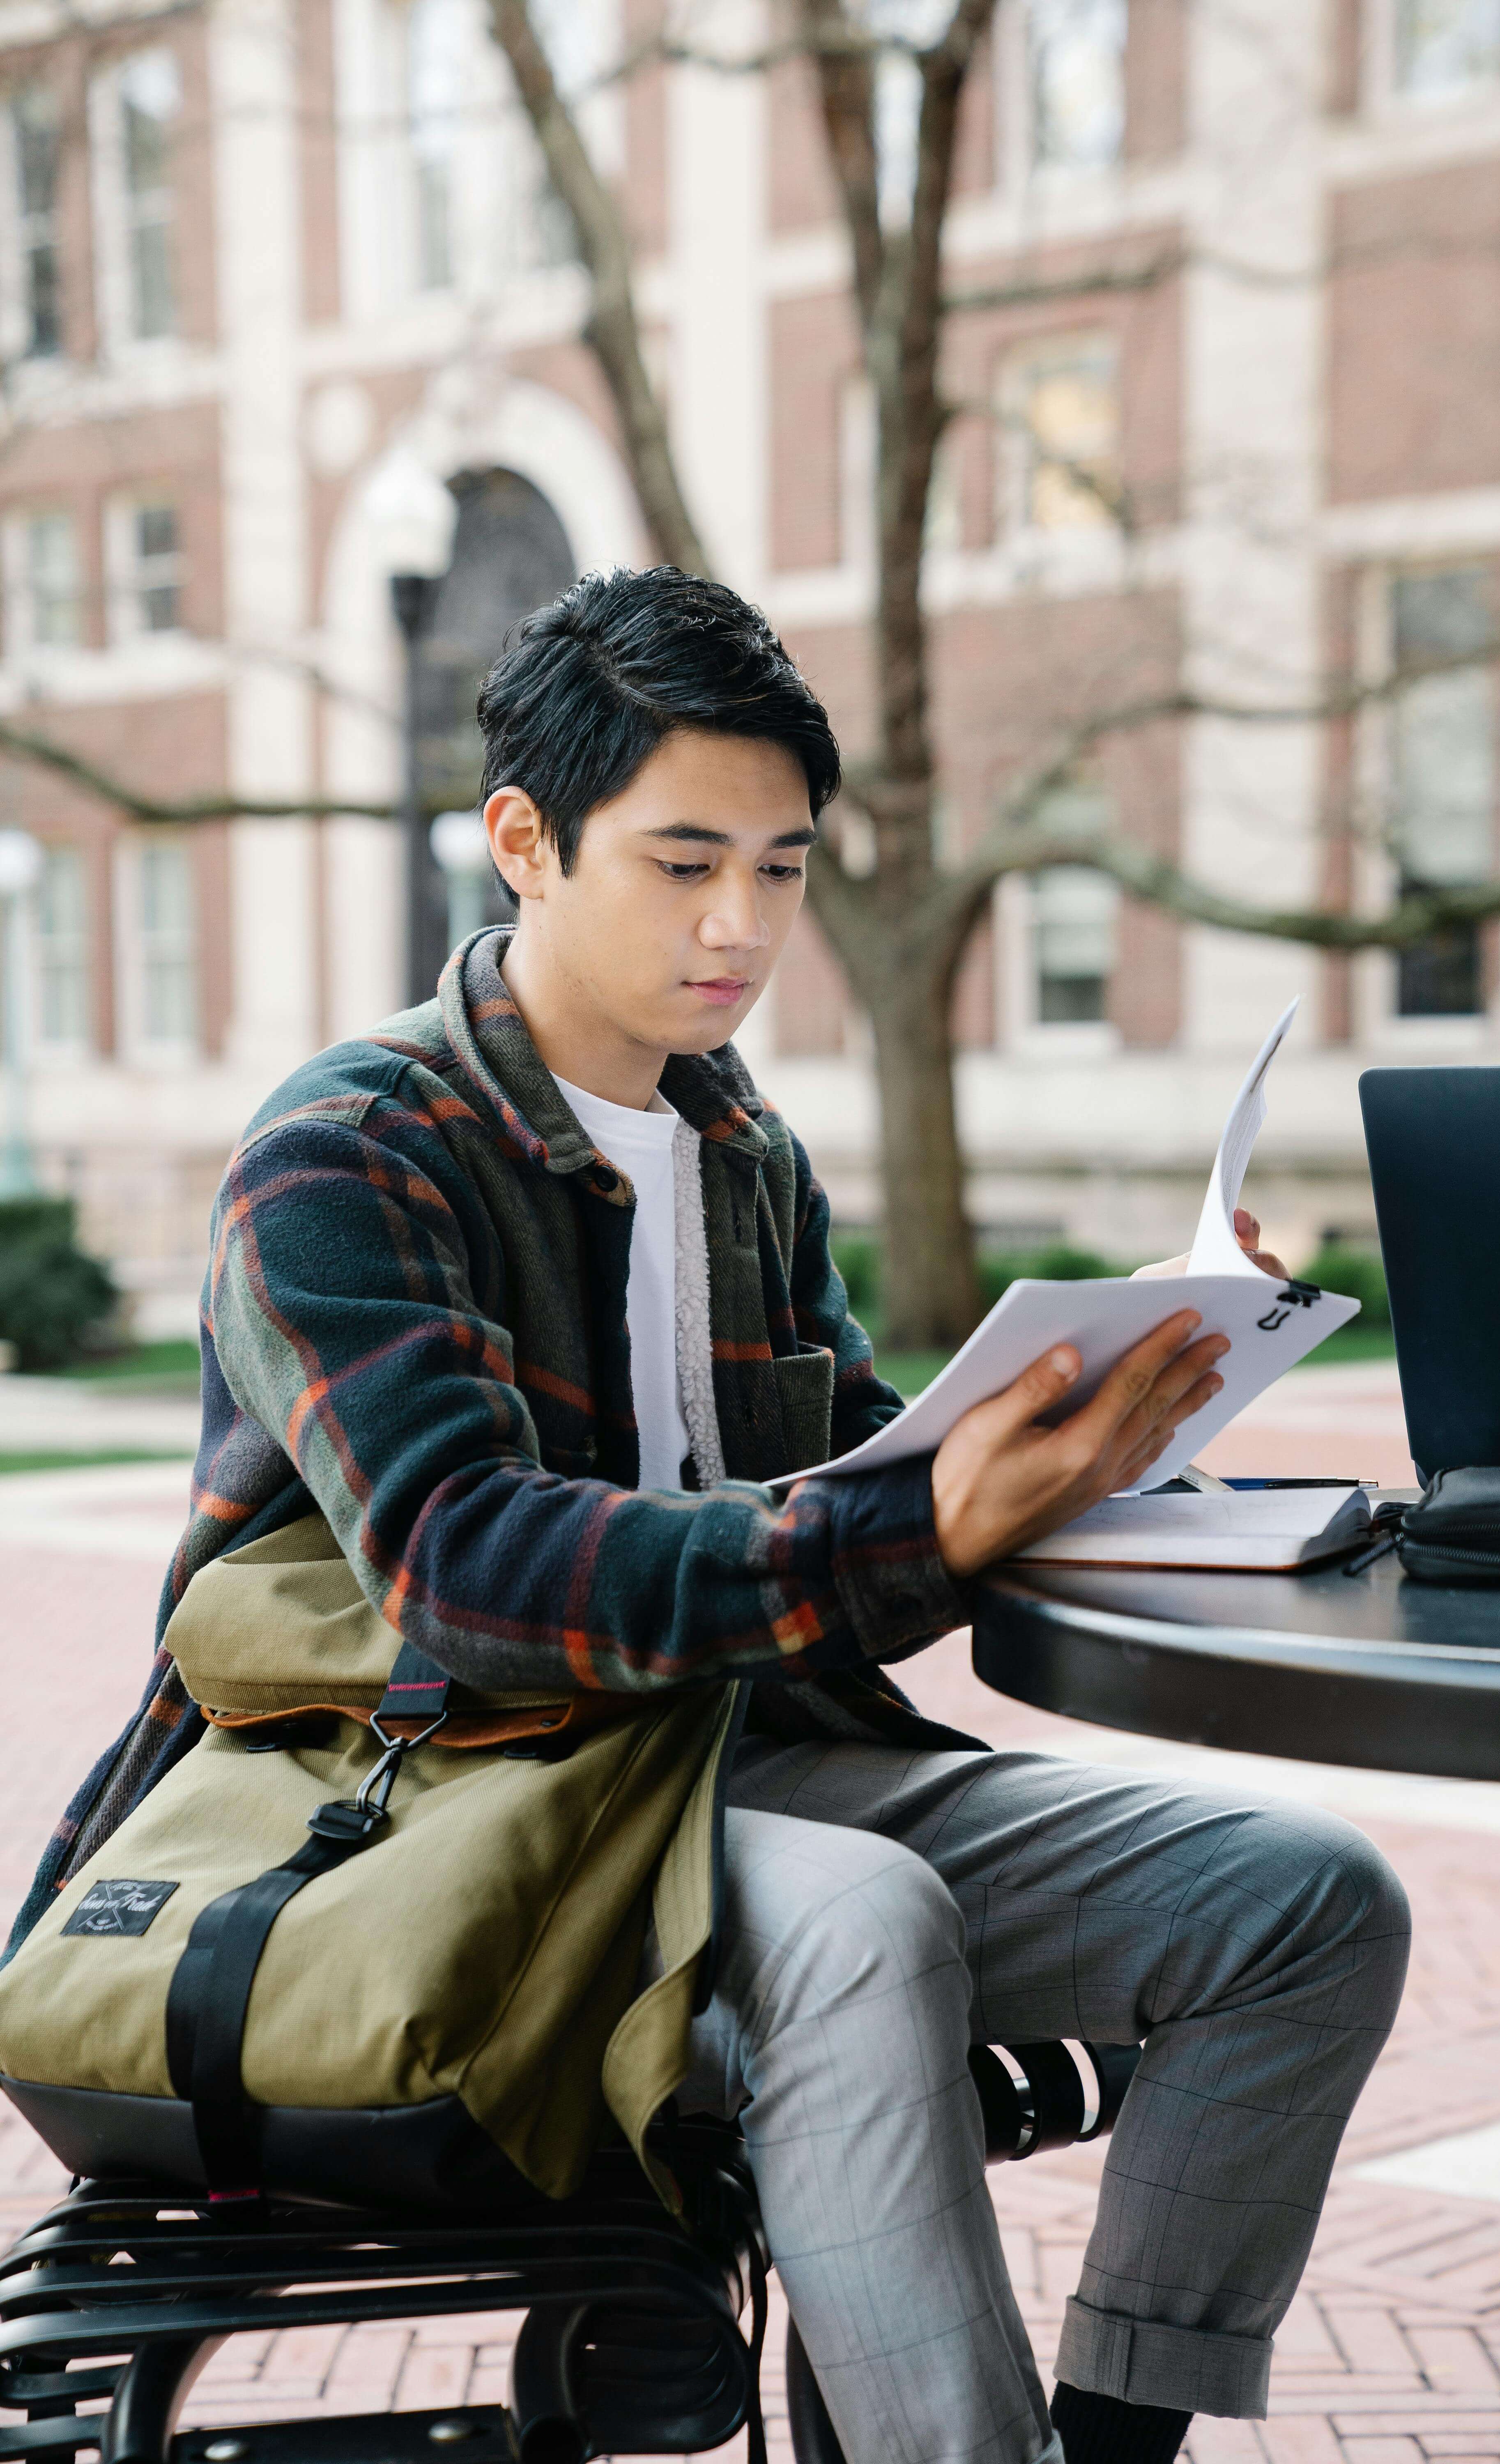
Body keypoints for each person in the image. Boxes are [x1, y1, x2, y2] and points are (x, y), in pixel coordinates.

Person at [9, 569, 1409, 2464]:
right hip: (440, 1813)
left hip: (734, 1779)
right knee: (867, 1926)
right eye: (684, 863)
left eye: (782, 865)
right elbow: (474, 1577)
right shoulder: (346, 1153)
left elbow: (848, 1532)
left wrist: (1104, 1420)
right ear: (524, 840)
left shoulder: (739, 1148)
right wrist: (921, 1518)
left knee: (1304, 1902)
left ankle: (1104, 2442)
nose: (743, 924)